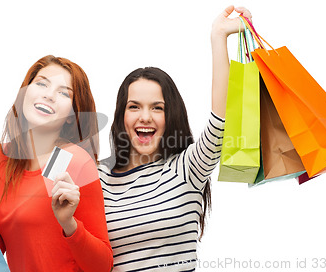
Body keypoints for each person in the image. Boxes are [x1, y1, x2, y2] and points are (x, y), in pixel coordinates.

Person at [98, 6, 251, 271]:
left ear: (171, 116)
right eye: (134, 107)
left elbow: (221, 120)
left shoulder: (187, 168)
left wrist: (218, 37)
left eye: (157, 107)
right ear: (121, 116)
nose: (145, 116)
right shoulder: (98, 176)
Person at [0, 55, 113, 272]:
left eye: (64, 93)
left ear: (71, 116)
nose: (49, 95)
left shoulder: (72, 160)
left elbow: (102, 266)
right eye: (42, 83)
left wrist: (69, 224)